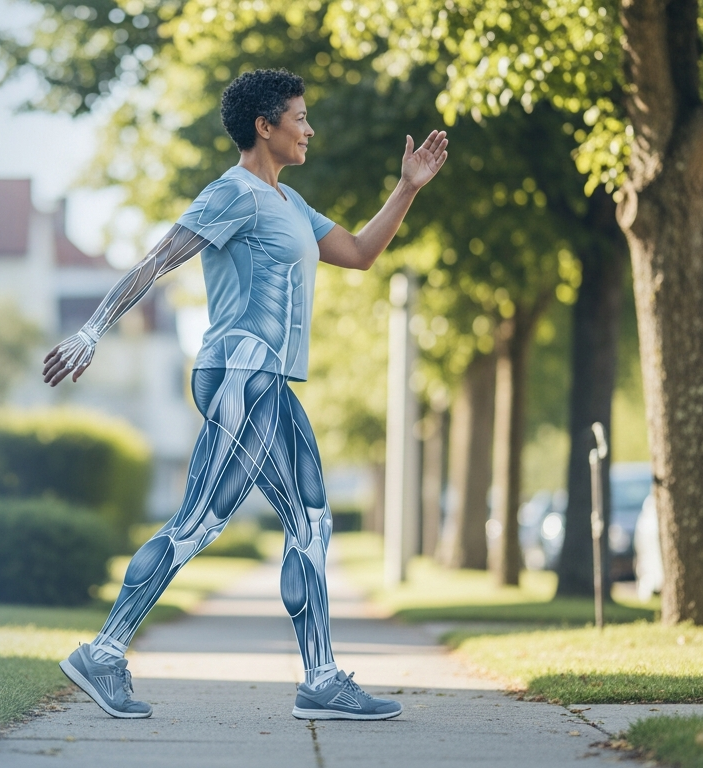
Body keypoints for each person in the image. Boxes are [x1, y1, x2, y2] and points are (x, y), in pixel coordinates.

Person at [44, 69, 447, 721]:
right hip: (238, 369)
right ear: (265, 126)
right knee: (200, 521)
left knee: (311, 522)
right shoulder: (232, 194)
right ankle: (105, 652)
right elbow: (157, 260)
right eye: (300, 117)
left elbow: (360, 251)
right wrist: (93, 330)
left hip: (272, 379)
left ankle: (320, 679)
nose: (309, 128)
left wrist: (407, 188)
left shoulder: (291, 205)